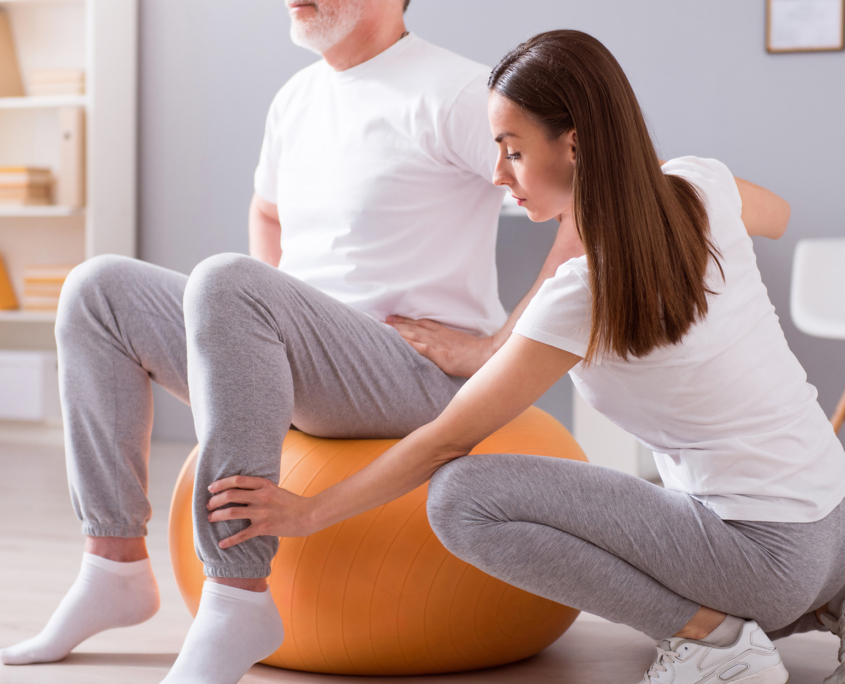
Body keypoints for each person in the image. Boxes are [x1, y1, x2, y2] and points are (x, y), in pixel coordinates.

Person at [196, 30, 845, 684]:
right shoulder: (700, 185)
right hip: (832, 522)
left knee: (460, 498)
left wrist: (306, 512)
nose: (499, 174)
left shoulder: (581, 294)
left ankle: (715, 641)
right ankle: (826, 606)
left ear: (575, 144)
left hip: (760, 565)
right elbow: (781, 214)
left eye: (510, 151)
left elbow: (443, 442)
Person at [0, 2, 582, 683]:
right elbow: (267, 209)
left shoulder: (458, 92)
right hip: (312, 369)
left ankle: (237, 593)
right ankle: (113, 565)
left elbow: (592, 196)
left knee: (226, 280)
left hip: (413, 376)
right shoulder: (298, 95)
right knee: (97, 289)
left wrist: (500, 344)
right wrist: (248, 336)